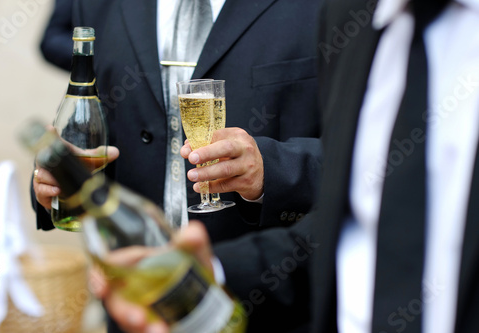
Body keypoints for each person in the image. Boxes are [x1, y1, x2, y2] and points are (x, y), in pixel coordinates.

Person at [94, 0, 479, 332]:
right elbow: (354, 220)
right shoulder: (366, 18)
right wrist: (213, 275)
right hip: (156, 299)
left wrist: (272, 170)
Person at [33, 0, 323, 244]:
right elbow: (102, 125)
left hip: (271, 289)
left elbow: (362, 154)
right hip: (133, 287)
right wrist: (63, 182)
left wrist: (271, 171)